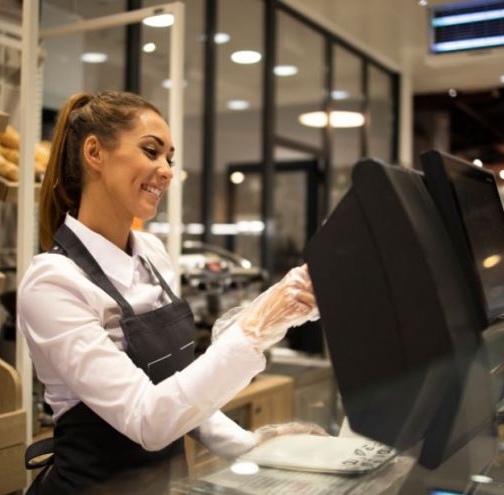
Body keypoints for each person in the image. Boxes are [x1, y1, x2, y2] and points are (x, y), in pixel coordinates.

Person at [18, 90, 323, 494]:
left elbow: (177, 392)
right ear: (95, 153)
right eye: (151, 151)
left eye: (170, 159)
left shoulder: (152, 255)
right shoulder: (54, 282)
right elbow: (148, 420)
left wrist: (249, 445)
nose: (165, 171)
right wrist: (254, 329)